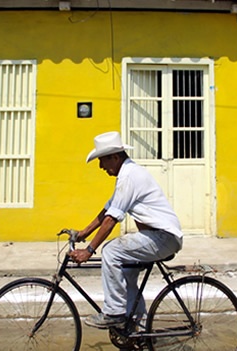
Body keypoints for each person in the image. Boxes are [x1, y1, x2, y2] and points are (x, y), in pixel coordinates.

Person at [69, 131, 184, 329]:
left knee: (111, 251)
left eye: (102, 160)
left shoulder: (129, 176)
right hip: (156, 236)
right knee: (126, 273)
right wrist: (83, 233)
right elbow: (108, 209)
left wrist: (89, 250)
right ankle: (137, 329)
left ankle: (114, 312)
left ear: (114, 157)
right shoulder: (127, 173)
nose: (100, 166)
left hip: (163, 237)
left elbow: (111, 219)